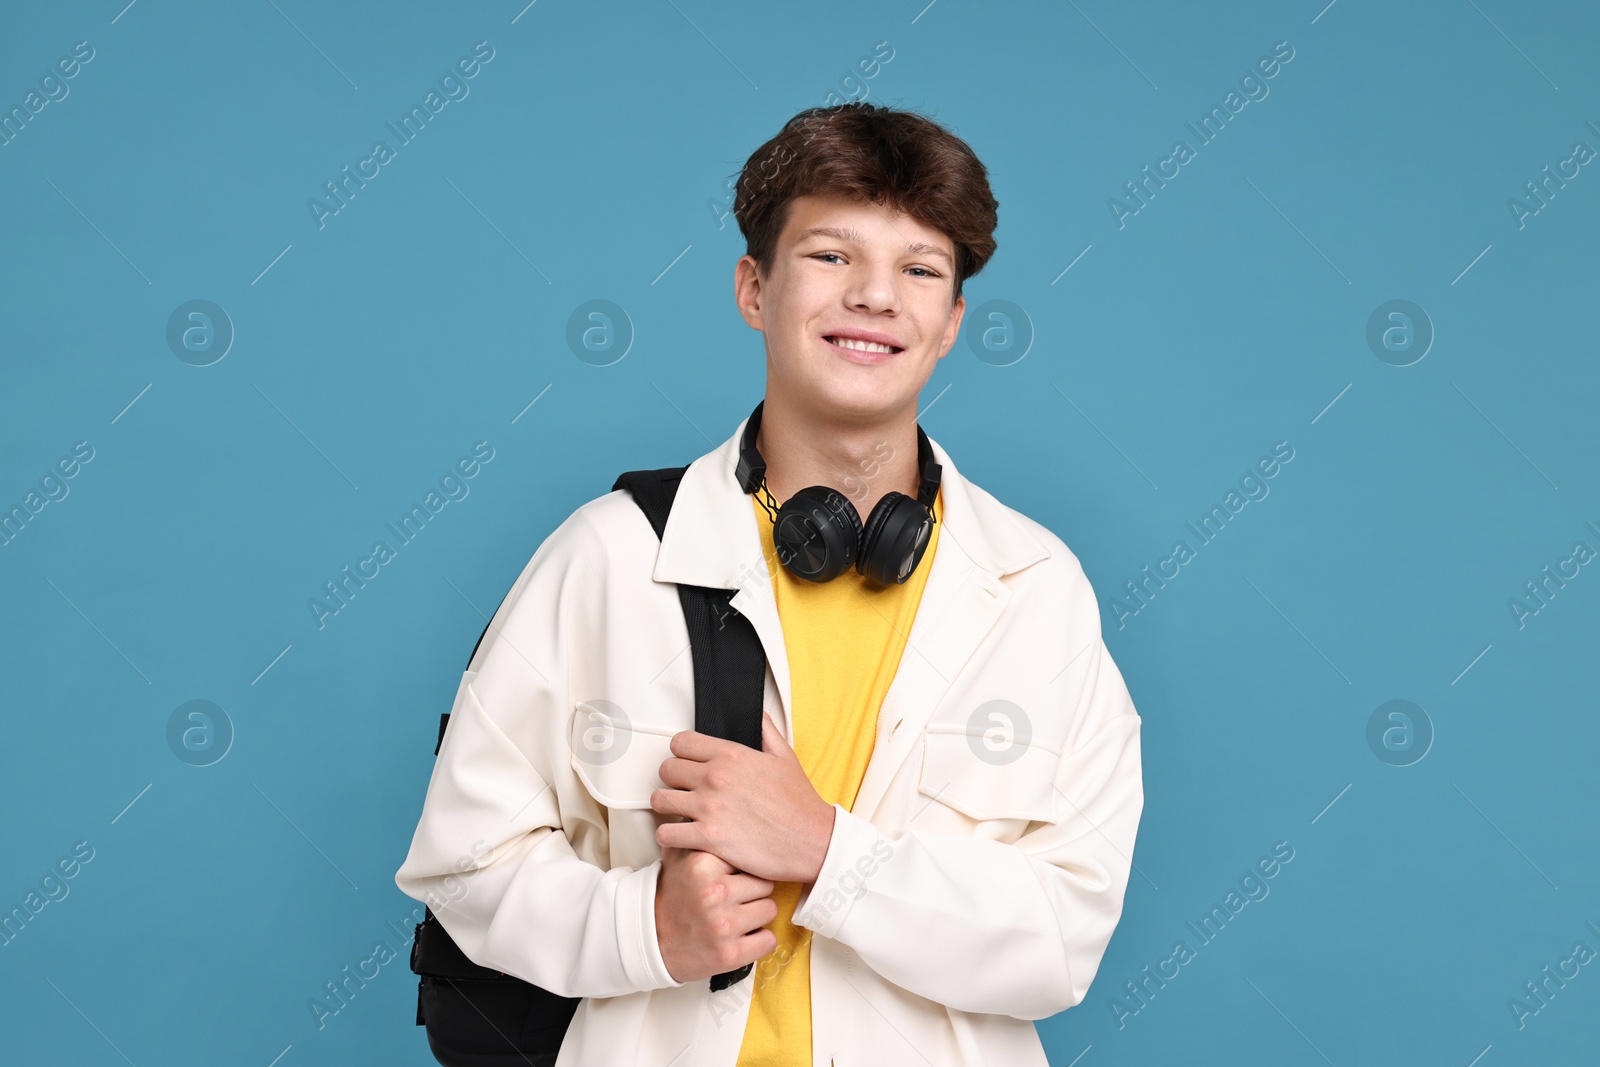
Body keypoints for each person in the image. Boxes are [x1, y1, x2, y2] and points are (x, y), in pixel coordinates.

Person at [395, 101, 1144, 1067]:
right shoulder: (610, 557)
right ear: (754, 287)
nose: (876, 296)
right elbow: (463, 864)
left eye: (919, 269)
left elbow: (1063, 939)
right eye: (832, 256)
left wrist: (829, 850)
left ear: (952, 322)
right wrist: (647, 929)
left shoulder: (1036, 588)